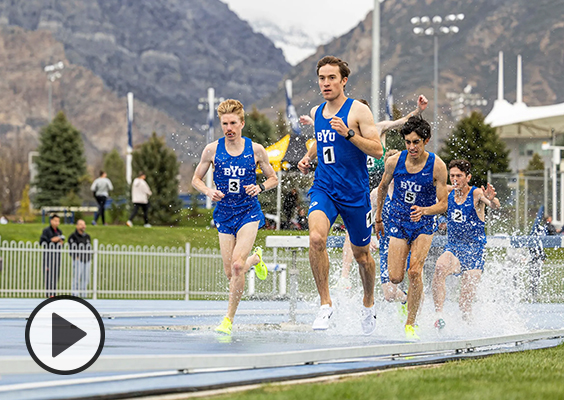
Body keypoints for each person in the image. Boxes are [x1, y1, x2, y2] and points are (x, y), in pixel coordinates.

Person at [301, 96, 429, 290]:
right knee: (350, 232)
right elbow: (324, 131)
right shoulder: (343, 132)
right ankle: (345, 276)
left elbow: (402, 122)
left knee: (385, 216)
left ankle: (403, 270)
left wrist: (418, 110)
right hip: (357, 189)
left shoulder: (377, 128)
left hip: (383, 188)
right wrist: (313, 122)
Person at [297, 56, 383, 334]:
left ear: (343, 80)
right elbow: (321, 141)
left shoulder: (358, 111)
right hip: (324, 187)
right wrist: (308, 157)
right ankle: (325, 304)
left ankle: (368, 302)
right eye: (322, 78)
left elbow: (377, 149)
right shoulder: (316, 111)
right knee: (316, 238)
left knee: (362, 256)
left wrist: (349, 134)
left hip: (355, 194)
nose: (326, 83)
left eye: (331, 78)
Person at [192, 99, 278, 336]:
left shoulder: (256, 149)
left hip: (248, 212)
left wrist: (259, 188)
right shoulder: (211, 150)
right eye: (224, 123)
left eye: (232, 123)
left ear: (242, 123)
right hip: (224, 214)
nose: (228, 128)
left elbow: (273, 178)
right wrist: (208, 191)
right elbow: (195, 179)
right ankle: (257, 259)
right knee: (231, 273)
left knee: (238, 265)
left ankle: (228, 320)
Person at [375, 116, 448, 340]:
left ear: (426, 141)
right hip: (397, 220)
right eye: (408, 142)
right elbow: (382, 187)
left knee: (414, 271)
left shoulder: (437, 165)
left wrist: (425, 211)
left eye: (416, 142)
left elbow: (443, 204)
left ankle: (411, 323)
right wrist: (378, 218)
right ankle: (410, 299)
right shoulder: (394, 161)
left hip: (423, 223)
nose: (412, 147)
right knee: (396, 278)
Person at [432, 160, 500, 329]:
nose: (455, 179)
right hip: (454, 248)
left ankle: (469, 329)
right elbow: (432, 185)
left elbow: (494, 205)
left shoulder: (476, 193)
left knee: (464, 303)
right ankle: (439, 316)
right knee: (439, 267)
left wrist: (492, 201)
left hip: (474, 251)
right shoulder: (448, 192)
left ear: (468, 177)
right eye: (452, 175)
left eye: (459, 176)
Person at [40, 214, 65, 297]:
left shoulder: (59, 232)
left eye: (58, 221)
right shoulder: (46, 231)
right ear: (51, 221)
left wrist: (61, 242)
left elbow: (61, 243)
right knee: (48, 275)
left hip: (56, 257)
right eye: (55, 221)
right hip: (48, 257)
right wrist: (51, 240)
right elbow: (42, 242)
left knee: (55, 275)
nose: (57, 223)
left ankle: (54, 293)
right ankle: (48, 294)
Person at [68, 219, 92, 297]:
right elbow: (71, 248)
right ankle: (75, 294)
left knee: (86, 278)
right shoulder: (73, 236)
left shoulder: (87, 236)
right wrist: (76, 257)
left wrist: (89, 257)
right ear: (77, 226)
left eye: (84, 224)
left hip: (87, 260)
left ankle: (83, 294)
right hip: (79, 260)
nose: (83, 226)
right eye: (81, 224)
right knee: (76, 278)